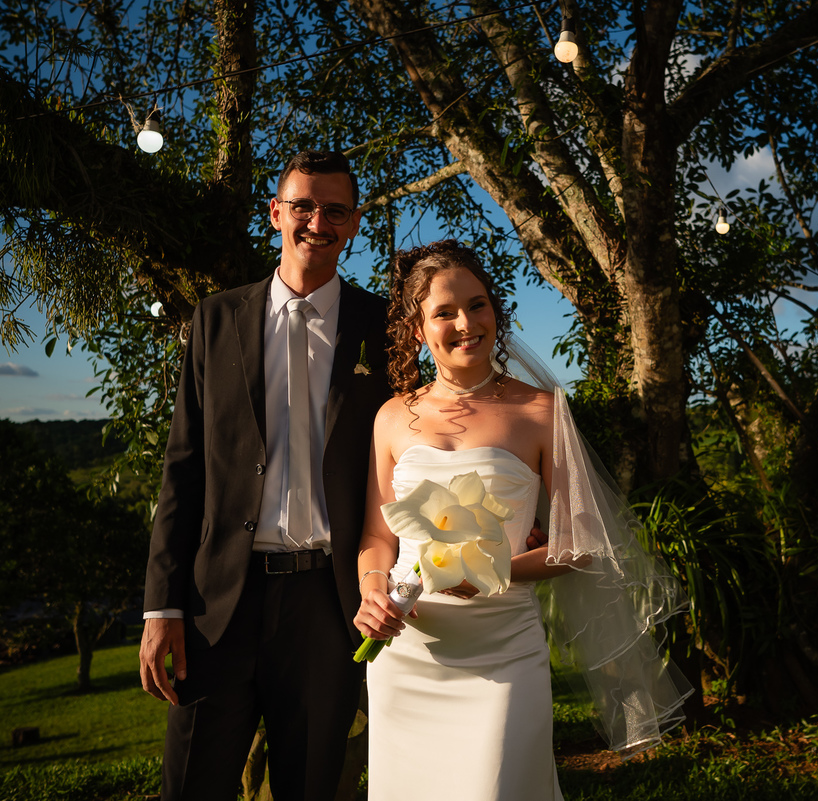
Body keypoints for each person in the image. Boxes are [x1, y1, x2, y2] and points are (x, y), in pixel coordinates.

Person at [355, 240, 692, 801]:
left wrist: (494, 572)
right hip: (410, 651)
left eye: (478, 304)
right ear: (417, 329)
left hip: (504, 649)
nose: (466, 323)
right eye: (444, 312)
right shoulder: (392, 417)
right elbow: (376, 534)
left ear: (495, 311)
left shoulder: (541, 411)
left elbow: (581, 541)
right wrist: (372, 591)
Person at [138, 149, 392, 800]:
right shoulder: (216, 318)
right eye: (303, 206)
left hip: (327, 607)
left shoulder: (384, 328)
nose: (317, 221)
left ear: (354, 223)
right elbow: (183, 466)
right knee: (191, 785)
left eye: (335, 210)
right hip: (216, 602)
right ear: (275, 212)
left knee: (311, 786)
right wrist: (162, 605)